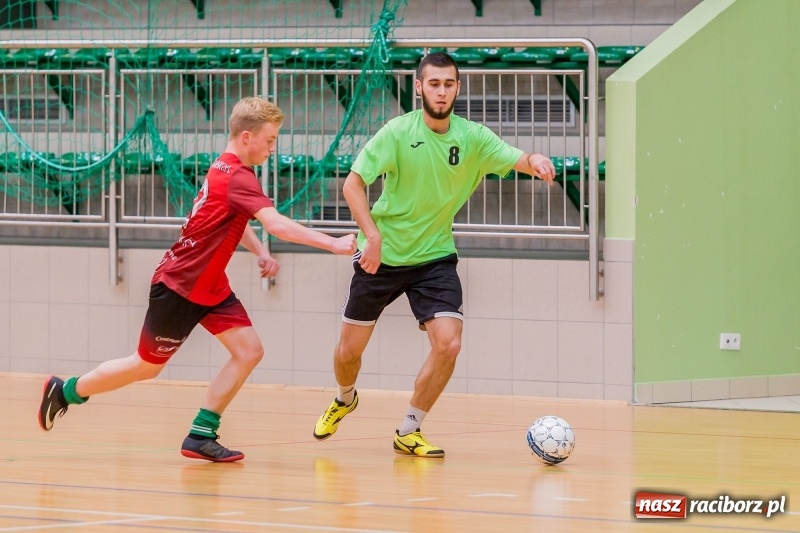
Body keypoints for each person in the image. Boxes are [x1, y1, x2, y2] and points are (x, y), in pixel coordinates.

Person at [38, 96, 357, 462]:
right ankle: (66, 391)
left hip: (209, 285)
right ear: (248, 136)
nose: (273, 147)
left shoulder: (224, 167)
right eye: (270, 140)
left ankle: (201, 435)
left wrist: (261, 253)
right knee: (146, 367)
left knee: (249, 350)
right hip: (181, 286)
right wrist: (332, 243)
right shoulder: (237, 174)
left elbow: (235, 219)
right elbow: (275, 223)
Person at [312, 52, 556, 457]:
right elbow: (353, 185)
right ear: (420, 87)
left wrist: (537, 160)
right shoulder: (396, 132)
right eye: (434, 83)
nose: (441, 91)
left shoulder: (472, 137)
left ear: (457, 88)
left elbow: (518, 158)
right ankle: (345, 397)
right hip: (382, 256)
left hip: (435, 258)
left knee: (449, 344)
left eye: (449, 84)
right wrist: (371, 237)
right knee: (347, 353)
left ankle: (410, 429)